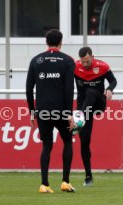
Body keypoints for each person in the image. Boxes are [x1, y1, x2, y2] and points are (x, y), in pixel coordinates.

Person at [26, 29, 76, 193]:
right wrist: (69, 113)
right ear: (61, 42)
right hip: (61, 110)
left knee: (46, 145)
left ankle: (44, 184)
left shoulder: (36, 60)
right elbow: (69, 89)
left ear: (46, 42)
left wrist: (32, 112)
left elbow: (28, 89)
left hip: (43, 110)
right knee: (67, 141)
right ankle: (65, 182)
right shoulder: (68, 61)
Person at [74, 47, 117, 186]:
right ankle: (88, 176)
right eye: (83, 62)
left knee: (91, 92)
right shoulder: (74, 67)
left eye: (87, 61)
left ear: (93, 56)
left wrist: (110, 89)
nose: (85, 65)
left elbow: (113, 81)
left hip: (98, 103)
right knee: (84, 141)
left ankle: (79, 121)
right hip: (83, 107)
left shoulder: (102, 66)